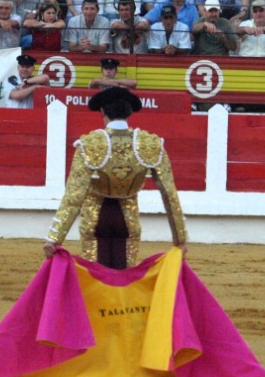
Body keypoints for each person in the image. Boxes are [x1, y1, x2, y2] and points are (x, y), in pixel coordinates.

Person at [43, 87, 187, 269]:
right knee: (124, 279)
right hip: (127, 221)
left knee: (97, 278)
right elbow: (169, 194)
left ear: (102, 111)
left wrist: (54, 238)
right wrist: (180, 240)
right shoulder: (151, 144)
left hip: (95, 220)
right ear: (129, 112)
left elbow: (73, 197)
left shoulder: (89, 144)